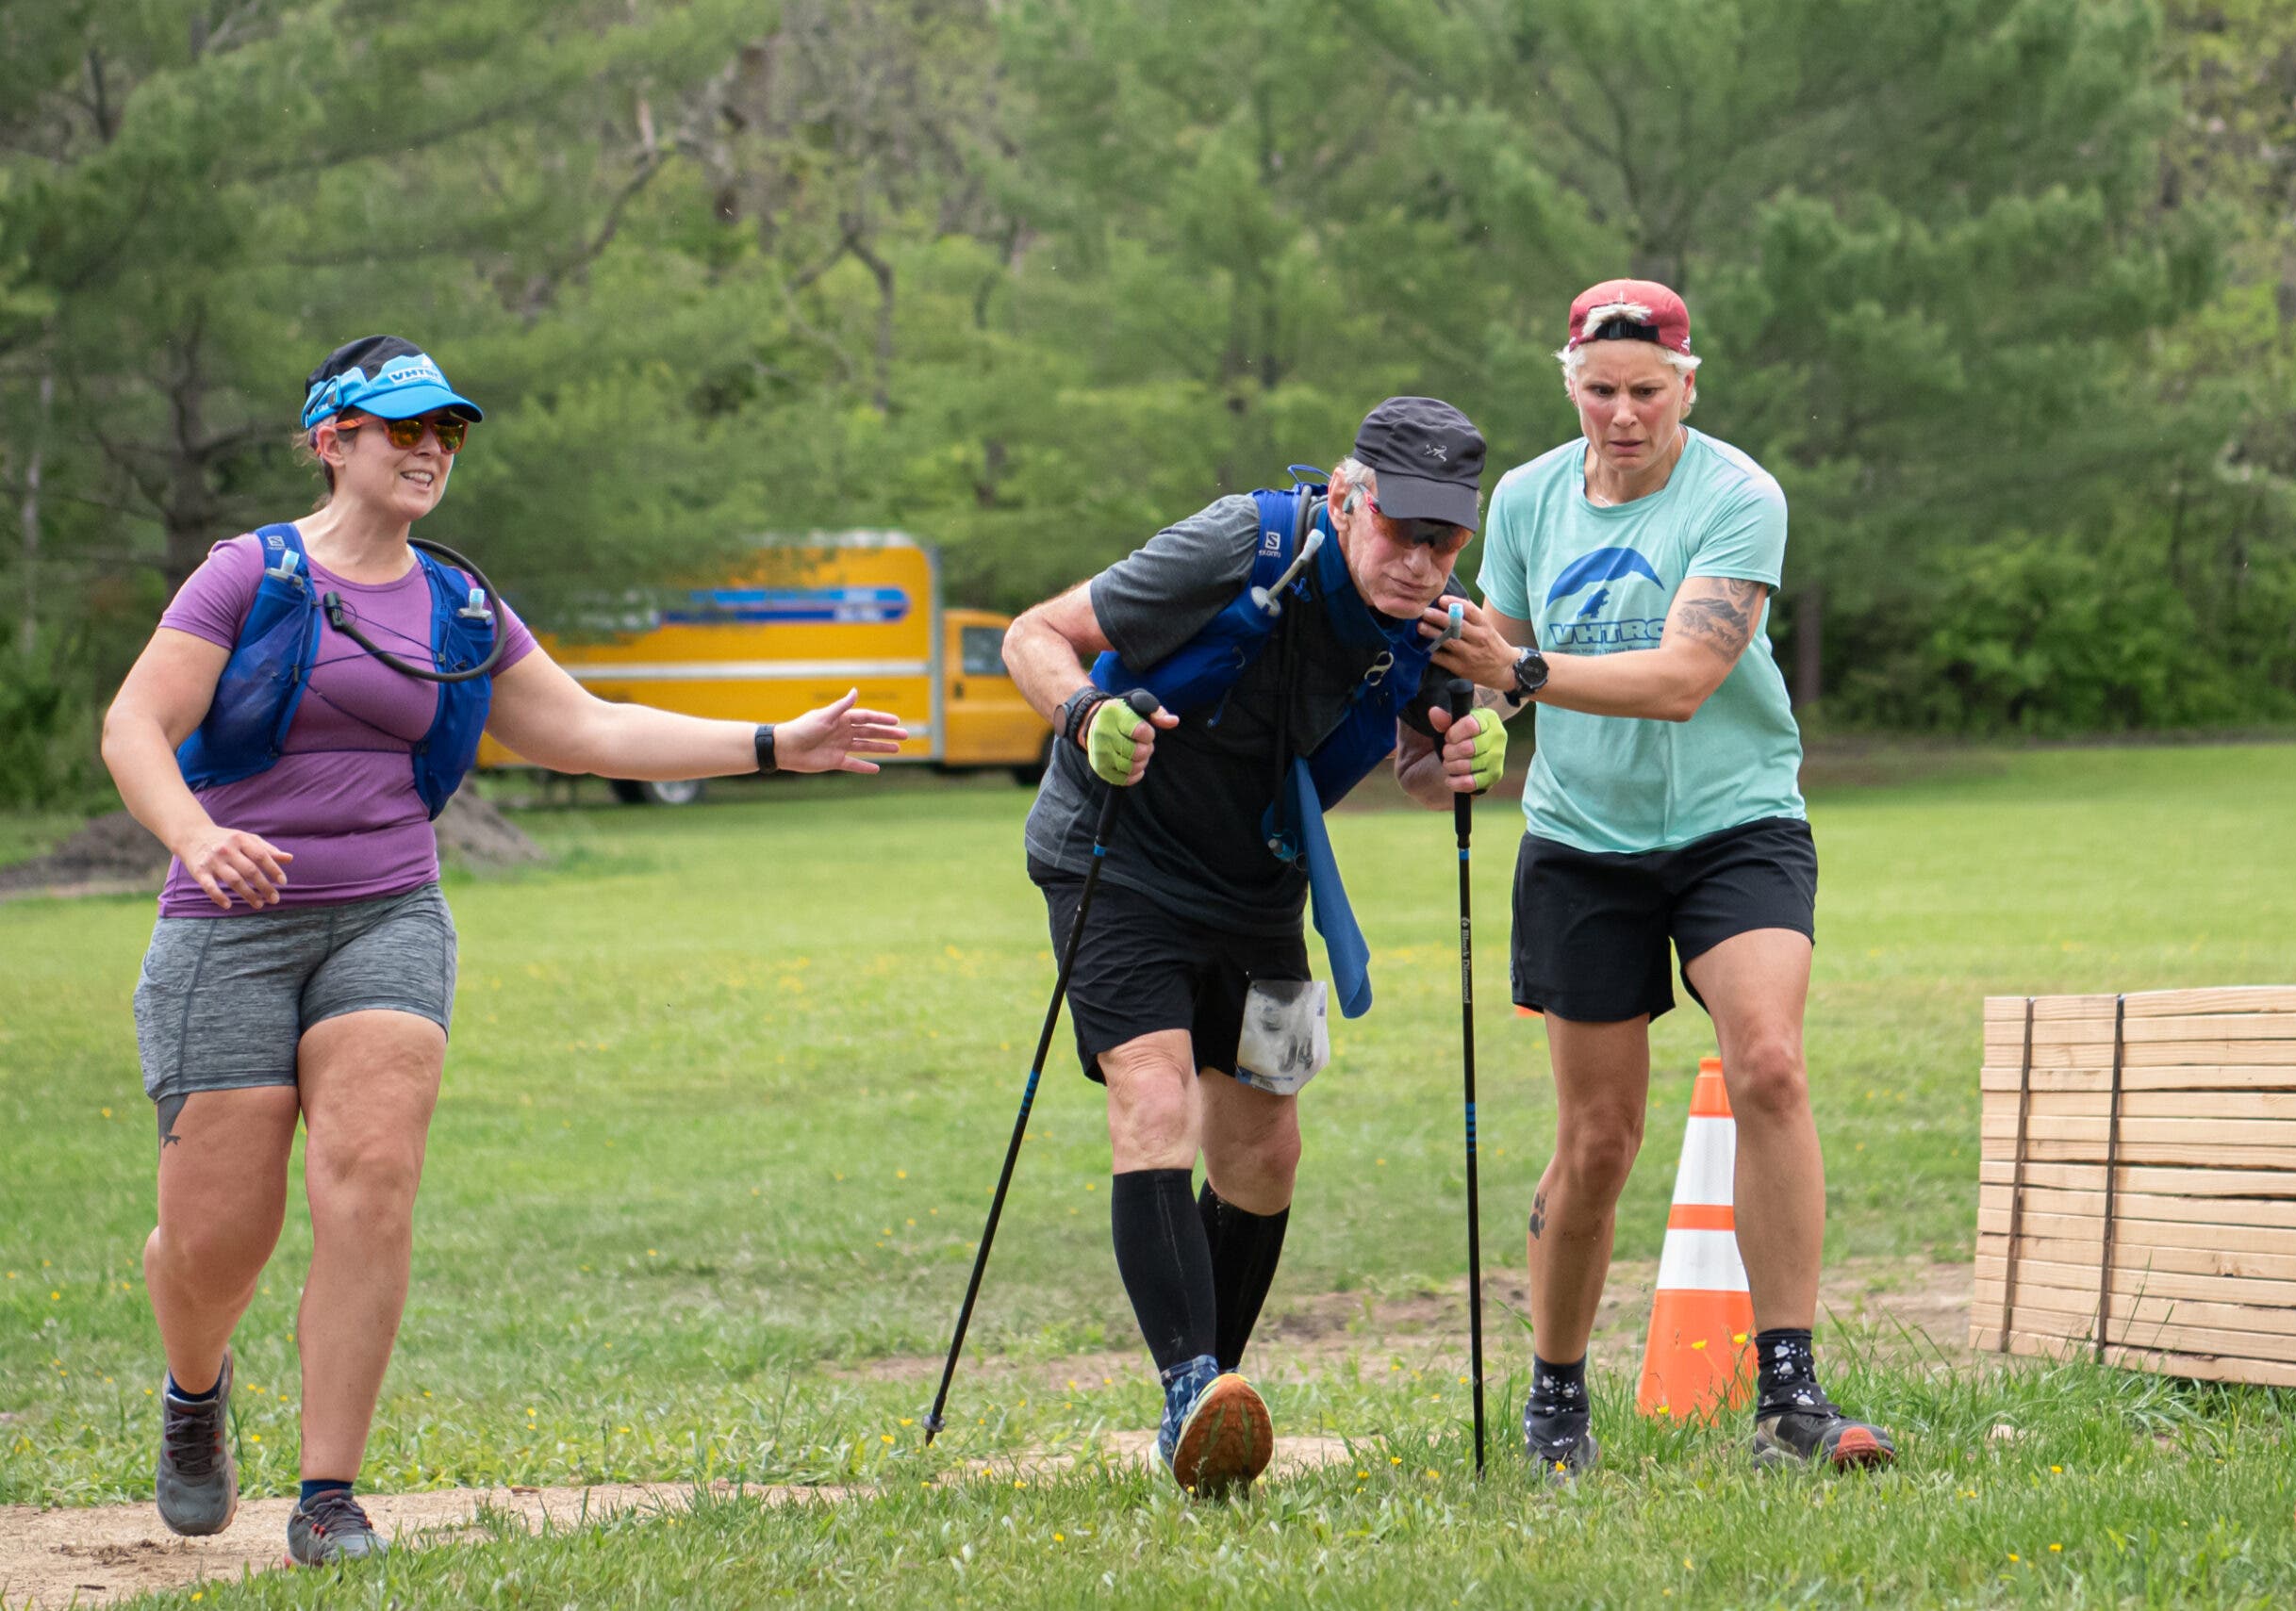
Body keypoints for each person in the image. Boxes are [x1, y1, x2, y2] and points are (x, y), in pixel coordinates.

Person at [99, 335, 908, 1565]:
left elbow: (585, 725)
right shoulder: (246, 575)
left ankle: (328, 1498)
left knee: (371, 1177)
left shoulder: (457, 605)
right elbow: (136, 725)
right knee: (220, 1241)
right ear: (333, 439)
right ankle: (195, 1389)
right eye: (404, 427)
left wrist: (768, 745)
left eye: (448, 432)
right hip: (228, 929)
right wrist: (195, 831)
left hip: (387, 914)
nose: (432, 448)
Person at [1429, 281, 1896, 1475]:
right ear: (1567, 382)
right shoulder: (1529, 498)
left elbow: (1686, 672)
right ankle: (1555, 1400)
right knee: (1598, 1137)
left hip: (1735, 818)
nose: (1623, 414)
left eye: (1647, 390)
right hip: (1583, 840)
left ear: (1689, 382)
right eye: (1600, 391)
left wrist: (1519, 670)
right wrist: (1464, 728)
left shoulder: (1738, 496)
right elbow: (1485, 663)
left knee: (1769, 1064)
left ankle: (1788, 1393)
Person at [1002, 398, 1510, 1496]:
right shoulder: (1243, 541)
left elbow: (1420, 772)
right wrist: (1085, 714)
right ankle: (1193, 1383)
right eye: (1401, 529)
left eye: (1445, 539)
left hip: (1259, 890)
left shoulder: (1436, 628)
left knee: (1264, 1154)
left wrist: (1461, 757)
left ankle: (1206, 1405)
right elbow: (1032, 634)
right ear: (1345, 498)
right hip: (1117, 855)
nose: (1422, 561)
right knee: (1153, 1097)